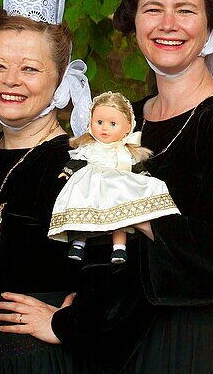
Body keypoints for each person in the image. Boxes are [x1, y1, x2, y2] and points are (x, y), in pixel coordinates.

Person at [15, 0, 213, 374]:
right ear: (132, 21)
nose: (167, 24)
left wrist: (141, 215)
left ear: (209, 26)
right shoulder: (125, 120)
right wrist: (77, 317)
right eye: (153, 9)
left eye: (185, 11)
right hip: (113, 350)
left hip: (185, 349)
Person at [0, 13, 97, 374]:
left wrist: (67, 324)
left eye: (29, 68)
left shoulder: (81, 163)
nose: (10, 80)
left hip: (38, 368)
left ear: (59, 84)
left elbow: (120, 272)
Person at [48, 91, 179, 264]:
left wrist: (145, 176)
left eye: (112, 124)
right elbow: (79, 161)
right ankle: (79, 243)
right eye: (99, 122)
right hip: (91, 185)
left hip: (117, 186)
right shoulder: (90, 148)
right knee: (85, 210)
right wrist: (67, 171)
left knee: (120, 216)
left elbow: (136, 167)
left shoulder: (124, 151)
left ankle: (119, 248)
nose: (104, 128)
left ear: (127, 128)